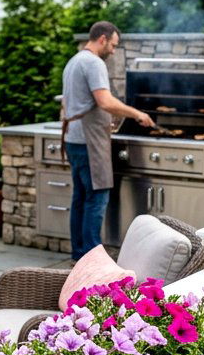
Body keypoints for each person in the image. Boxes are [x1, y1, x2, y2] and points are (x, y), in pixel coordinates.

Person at [61, 21, 153, 261]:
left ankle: (79, 254)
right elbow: (105, 101)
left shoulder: (74, 61)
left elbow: (72, 103)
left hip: (74, 138)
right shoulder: (93, 63)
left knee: (80, 197)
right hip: (89, 142)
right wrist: (137, 114)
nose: (113, 51)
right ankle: (92, 258)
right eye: (112, 45)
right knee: (97, 196)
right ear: (102, 39)